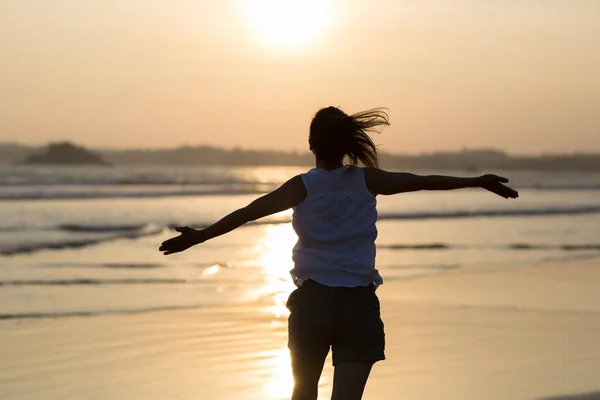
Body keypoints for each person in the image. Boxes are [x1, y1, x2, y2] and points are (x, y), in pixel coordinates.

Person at [159, 106, 519, 400]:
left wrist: (200, 237)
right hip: (358, 305)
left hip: (313, 302)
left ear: (311, 143)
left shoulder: (301, 186)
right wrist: (477, 181)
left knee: (303, 393)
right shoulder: (368, 181)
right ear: (347, 145)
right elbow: (423, 180)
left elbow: (248, 212)